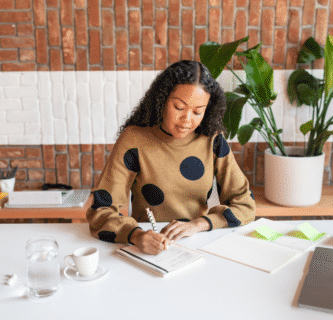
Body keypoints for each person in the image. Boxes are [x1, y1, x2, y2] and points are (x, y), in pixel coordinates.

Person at [87, 60, 256, 255]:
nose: (186, 119)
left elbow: (245, 205)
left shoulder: (212, 140)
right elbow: (100, 210)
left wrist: (200, 224)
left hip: (197, 246)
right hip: (148, 245)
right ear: (162, 100)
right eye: (178, 107)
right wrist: (136, 235)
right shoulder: (134, 139)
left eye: (197, 111)